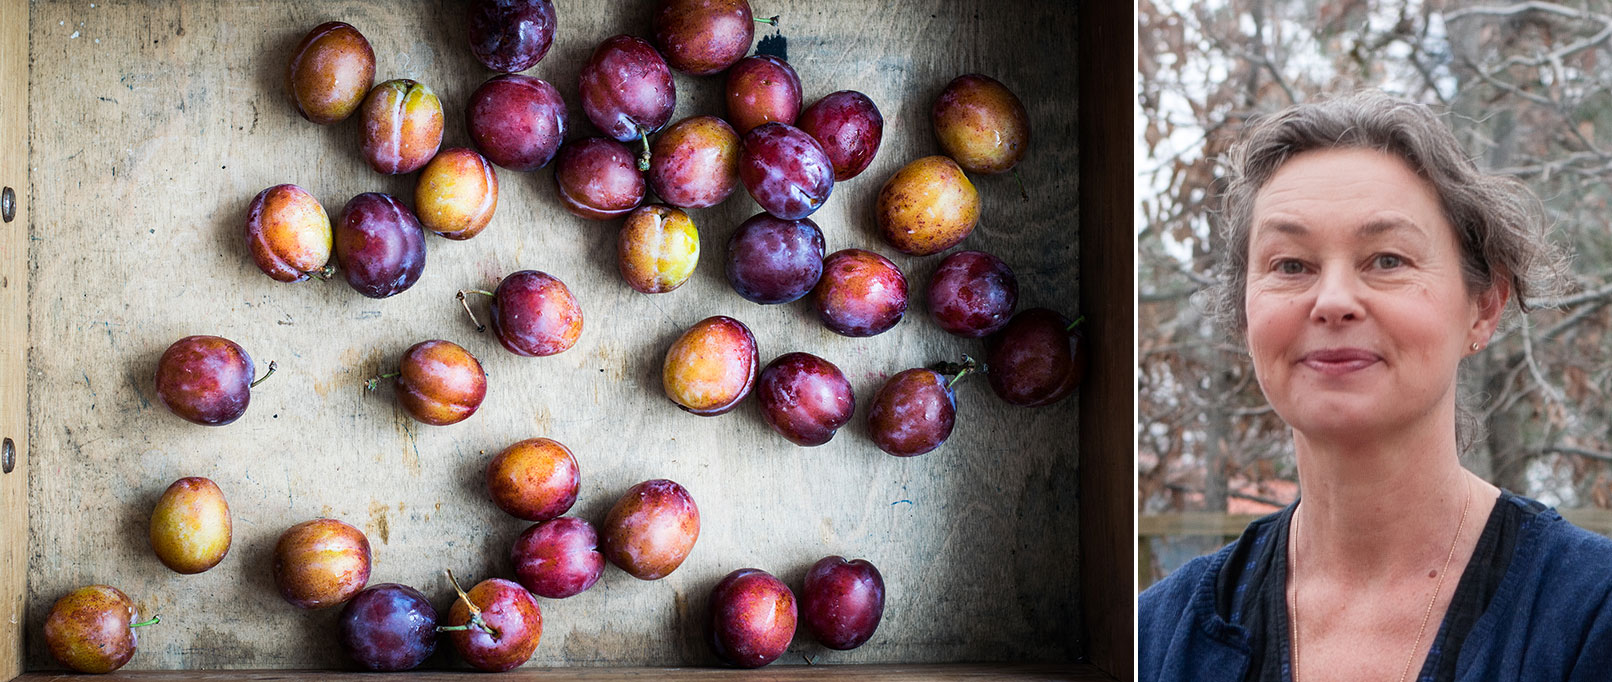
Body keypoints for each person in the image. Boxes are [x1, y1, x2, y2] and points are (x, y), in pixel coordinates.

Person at [1139, 91, 1612, 682]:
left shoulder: (1591, 618)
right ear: (1243, 313)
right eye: (1291, 265)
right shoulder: (1156, 638)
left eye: (1386, 260)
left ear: (1484, 306)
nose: (1333, 301)